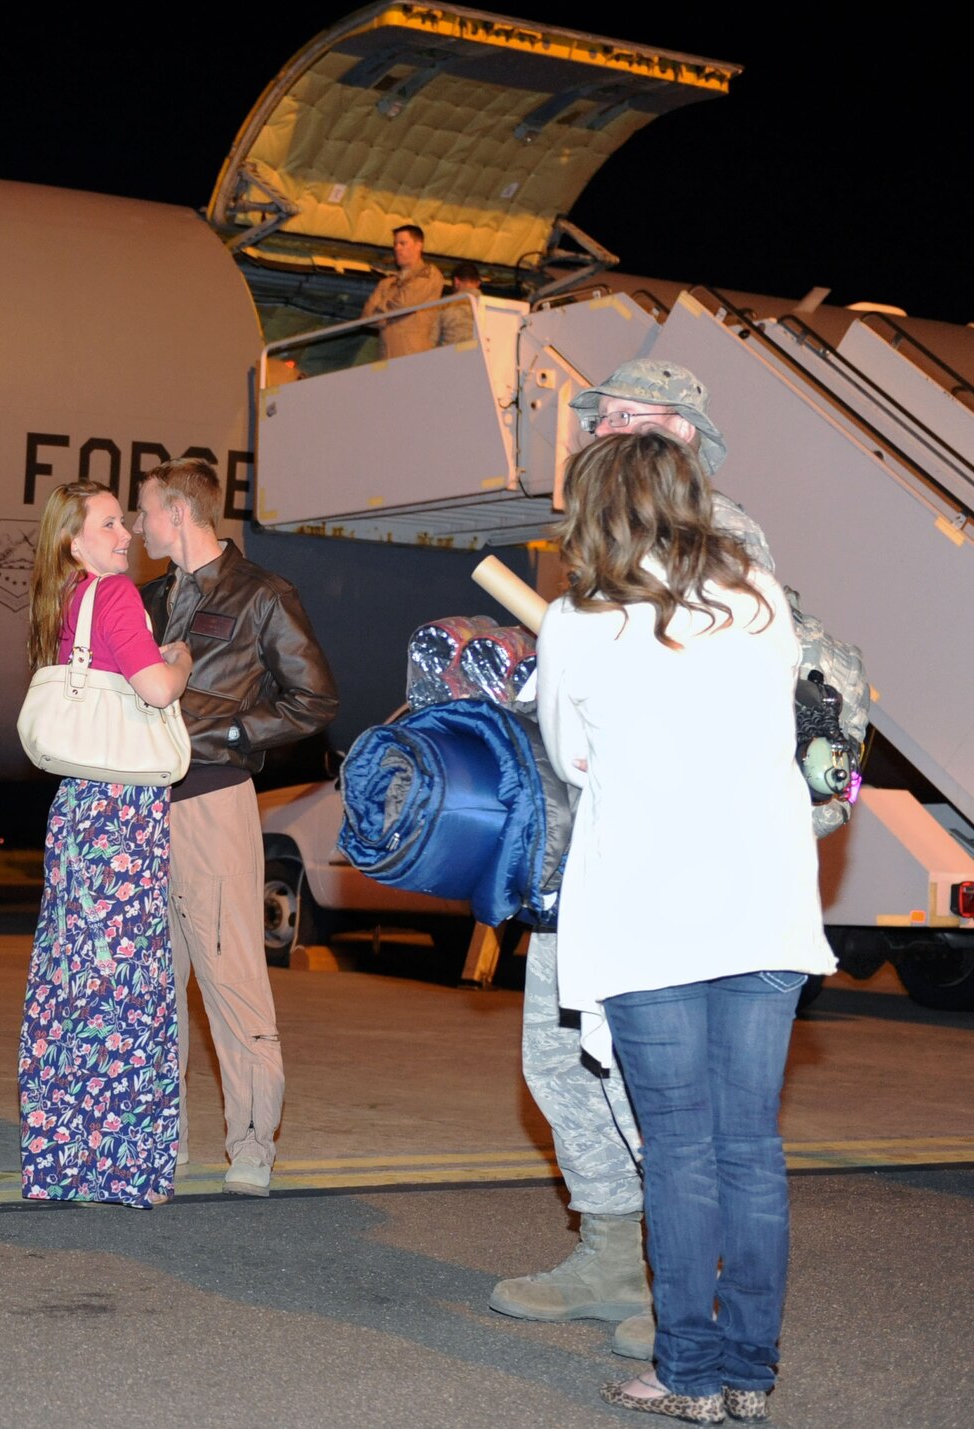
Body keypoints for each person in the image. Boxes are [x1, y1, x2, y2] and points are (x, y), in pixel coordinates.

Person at [538, 431, 833, 1423]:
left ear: (592, 508)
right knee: (749, 1146)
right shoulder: (754, 602)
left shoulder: (577, 620)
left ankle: (688, 1372)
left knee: (677, 1151)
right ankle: (749, 1371)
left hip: (648, 908)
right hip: (762, 901)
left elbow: (570, 760)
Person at [491, 358, 776, 1360]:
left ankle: (675, 1278)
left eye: (623, 416)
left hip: (665, 872)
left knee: (651, 1082)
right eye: (595, 416)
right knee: (557, 1058)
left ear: (683, 435)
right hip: (582, 856)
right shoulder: (599, 541)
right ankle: (608, 1250)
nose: (597, 429)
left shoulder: (725, 543)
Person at [136, 459, 337, 1194]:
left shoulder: (263, 595)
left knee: (232, 979)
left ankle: (252, 1145)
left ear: (181, 512)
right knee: (154, 986)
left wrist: (226, 738)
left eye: (147, 511)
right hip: (145, 809)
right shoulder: (151, 596)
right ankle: (161, 1141)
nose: (139, 525)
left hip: (213, 803)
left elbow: (314, 698)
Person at [19, 480, 191, 1207]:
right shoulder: (116, 597)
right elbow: (153, 689)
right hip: (123, 815)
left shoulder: (64, 605)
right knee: (126, 983)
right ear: (75, 541)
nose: (125, 534)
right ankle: (123, 1163)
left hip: (79, 810)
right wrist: (179, 659)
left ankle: (65, 1154)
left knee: (74, 978)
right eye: (110, 522)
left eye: (125, 520)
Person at [360, 223, 445, 357]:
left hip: (413, 356)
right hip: (387, 357)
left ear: (418, 245)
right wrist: (387, 314)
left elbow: (403, 304)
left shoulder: (430, 274)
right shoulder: (386, 283)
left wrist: (381, 312)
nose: (397, 248)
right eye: (395, 244)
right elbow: (366, 317)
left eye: (402, 243)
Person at [438, 262, 482, 346]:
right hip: (479, 356)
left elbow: (432, 339)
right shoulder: (489, 306)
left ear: (456, 281)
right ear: (478, 283)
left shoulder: (444, 304)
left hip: (449, 355)